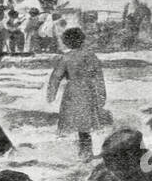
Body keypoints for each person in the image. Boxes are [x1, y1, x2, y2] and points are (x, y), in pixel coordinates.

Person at [46, 27, 109, 161]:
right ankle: (85, 152)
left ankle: (84, 153)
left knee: (79, 125)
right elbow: (99, 78)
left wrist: (51, 94)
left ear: (66, 42)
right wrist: (102, 95)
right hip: (88, 91)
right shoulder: (91, 56)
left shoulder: (66, 57)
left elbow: (56, 77)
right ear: (82, 40)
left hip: (73, 91)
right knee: (85, 125)